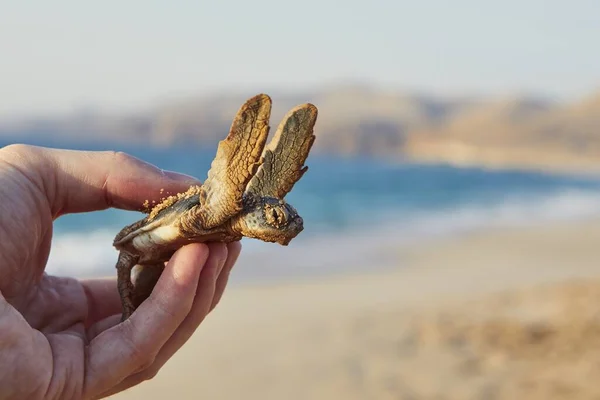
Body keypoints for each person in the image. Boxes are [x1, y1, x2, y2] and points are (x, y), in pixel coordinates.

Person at [0, 144, 241, 399]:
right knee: (142, 280)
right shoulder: (214, 206)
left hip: (167, 247)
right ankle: (128, 306)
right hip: (151, 233)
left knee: (178, 278)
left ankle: (130, 305)